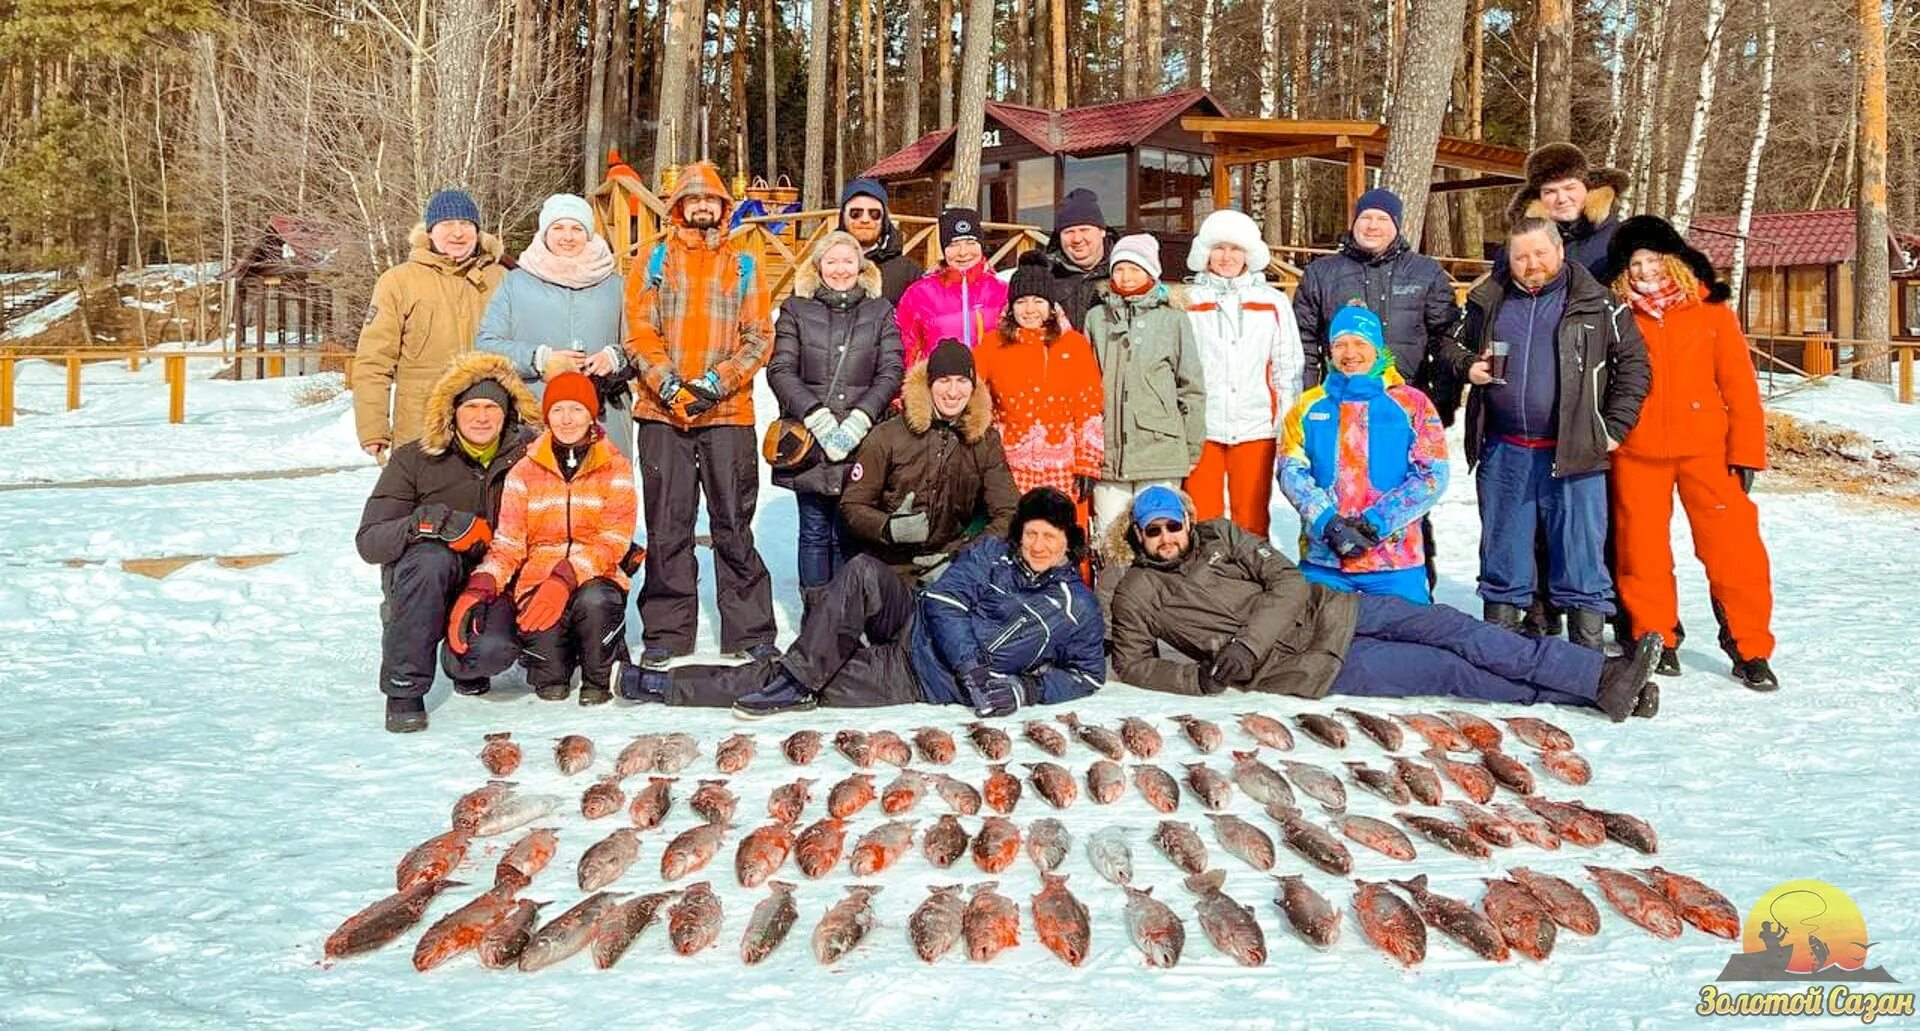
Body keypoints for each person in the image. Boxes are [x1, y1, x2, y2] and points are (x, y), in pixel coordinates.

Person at [1106, 486, 1662, 720]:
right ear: (1137, 537)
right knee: (1447, 671)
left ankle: (1597, 674)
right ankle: (1589, 694)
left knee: (1451, 627)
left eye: (1171, 525)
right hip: (1306, 665)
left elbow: (1290, 582)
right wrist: (1196, 678)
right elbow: (1132, 663)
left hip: (1332, 610)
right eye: (1151, 531)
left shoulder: (1220, 537)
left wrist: (1248, 644)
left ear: (1186, 520)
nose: (1164, 538)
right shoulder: (1137, 591)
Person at [616, 488, 1105, 719]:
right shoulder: (992, 552)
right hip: (918, 622)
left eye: (1050, 537)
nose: (1038, 545)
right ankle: (800, 680)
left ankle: (661, 686)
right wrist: (973, 665)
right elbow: (945, 598)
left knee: (790, 672)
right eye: (1032, 533)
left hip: (921, 676)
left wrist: (1026, 691)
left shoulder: (1076, 607)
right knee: (864, 571)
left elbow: (1086, 674)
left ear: (1069, 542)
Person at [1454, 216, 1651, 650]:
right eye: (1521, 256)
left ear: (1559, 251)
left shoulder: (1599, 305)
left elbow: (1635, 367)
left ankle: (1586, 656)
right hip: (1505, 450)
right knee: (1503, 552)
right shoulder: (1490, 300)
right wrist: (1467, 366)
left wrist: (1614, 427)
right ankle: (1500, 652)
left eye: (1540, 253)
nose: (1531, 264)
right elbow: (1451, 344)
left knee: (1581, 554)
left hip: (1576, 450)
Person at [1600, 215, 1778, 689]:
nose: (1643, 272)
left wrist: (1746, 450)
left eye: (1652, 259)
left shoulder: (1710, 307)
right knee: (1641, 551)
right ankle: (1656, 636)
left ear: (1673, 259)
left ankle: (1750, 647)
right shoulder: (1614, 313)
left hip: (1708, 448)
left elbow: (1738, 382)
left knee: (1735, 552)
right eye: (1634, 263)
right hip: (1636, 449)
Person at [623, 161, 778, 668]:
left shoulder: (743, 263)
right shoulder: (654, 258)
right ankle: (667, 631)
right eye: (694, 201)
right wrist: (669, 383)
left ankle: (749, 630)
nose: (703, 208)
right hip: (661, 410)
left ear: (723, 208)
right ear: (679, 207)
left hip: (728, 412)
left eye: (711, 200)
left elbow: (760, 337)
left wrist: (716, 383)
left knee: (733, 522)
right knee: (668, 522)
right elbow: (639, 332)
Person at [355, 353, 541, 733]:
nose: (482, 416)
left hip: (494, 582)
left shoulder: (530, 455)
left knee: (493, 651)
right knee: (429, 560)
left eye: (492, 406)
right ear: (452, 411)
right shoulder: (416, 459)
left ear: (508, 413)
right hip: (426, 580)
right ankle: (405, 687)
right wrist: (436, 522)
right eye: (471, 406)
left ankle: (463, 663)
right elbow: (370, 541)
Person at [453, 371, 638, 705]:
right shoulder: (524, 471)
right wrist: (482, 584)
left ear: (592, 413)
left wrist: (565, 577)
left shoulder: (616, 466)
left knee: (595, 609)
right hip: (538, 585)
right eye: (558, 410)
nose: (567, 420)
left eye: (577, 410)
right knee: (550, 683)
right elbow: (508, 544)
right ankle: (558, 656)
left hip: (595, 577)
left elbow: (613, 540)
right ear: (547, 415)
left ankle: (600, 663)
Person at [766, 231, 905, 608]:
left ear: (861, 266)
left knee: (850, 530)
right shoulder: (796, 310)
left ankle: (846, 618)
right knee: (813, 531)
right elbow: (780, 369)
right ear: (818, 267)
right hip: (812, 440)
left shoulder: (879, 312)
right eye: (832, 261)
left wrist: (861, 417)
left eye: (848, 261)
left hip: (864, 441)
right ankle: (815, 619)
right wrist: (817, 417)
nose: (840, 269)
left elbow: (892, 368)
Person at [1278, 306, 1448, 604]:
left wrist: (1374, 524)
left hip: (1394, 562)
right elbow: (1290, 470)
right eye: (1340, 344)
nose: (1350, 353)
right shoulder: (1307, 405)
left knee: (1410, 644)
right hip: (1325, 561)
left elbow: (1433, 474)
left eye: (1360, 343)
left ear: (1377, 348)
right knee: (1315, 643)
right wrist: (1328, 522)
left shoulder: (1412, 404)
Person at [837, 338, 1019, 585]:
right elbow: (852, 505)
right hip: (891, 565)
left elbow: (1008, 512)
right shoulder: (888, 435)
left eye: (962, 381)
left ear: (973, 386)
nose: (953, 392)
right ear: (929, 383)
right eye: (944, 381)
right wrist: (887, 527)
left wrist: (961, 558)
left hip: (952, 564)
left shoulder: (985, 440)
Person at [353, 188, 509, 458]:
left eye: (466, 224)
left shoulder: (502, 279)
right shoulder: (398, 282)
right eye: (447, 224)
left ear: (478, 231)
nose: (458, 233)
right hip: (421, 426)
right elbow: (373, 361)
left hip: (490, 424)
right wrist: (372, 427)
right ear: (430, 232)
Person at [475, 193, 633, 458]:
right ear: (545, 233)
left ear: (590, 234)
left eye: (577, 228)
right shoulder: (516, 283)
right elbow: (486, 345)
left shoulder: (615, 285)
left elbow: (640, 345)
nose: (567, 237)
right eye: (558, 228)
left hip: (605, 414)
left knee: (604, 494)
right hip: (535, 413)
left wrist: (615, 357)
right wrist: (539, 358)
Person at [1181, 208, 1302, 536]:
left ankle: (1253, 581)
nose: (1226, 257)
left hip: (1256, 425)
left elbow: (1288, 366)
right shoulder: (1188, 301)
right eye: (1219, 248)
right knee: (1203, 515)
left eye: (1235, 249)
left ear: (1249, 253)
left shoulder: (1273, 302)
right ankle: (1207, 581)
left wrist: (1286, 425)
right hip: (1202, 427)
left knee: (1251, 516)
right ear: (1205, 253)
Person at [1294, 187, 1462, 422]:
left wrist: (1441, 402)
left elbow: (1445, 339)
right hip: (1340, 404)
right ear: (1354, 222)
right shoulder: (1320, 273)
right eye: (1366, 217)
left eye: (1382, 218)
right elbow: (1304, 341)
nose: (1373, 226)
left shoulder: (1426, 272)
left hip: (1407, 404)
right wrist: (1308, 398)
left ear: (1396, 225)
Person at [1086, 232, 1206, 536]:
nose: (1126, 277)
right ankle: (1113, 585)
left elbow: (1190, 387)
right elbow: (1084, 385)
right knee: (1110, 536)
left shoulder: (1173, 319)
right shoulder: (1097, 318)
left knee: (1159, 534)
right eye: (1120, 268)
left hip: (1161, 451)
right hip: (1108, 453)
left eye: (1135, 268)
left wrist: (1190, 449)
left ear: (1151, 273)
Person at [974, 252, 1104, 518]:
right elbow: (974, 398)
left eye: (1038, 301)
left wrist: (1088, 463)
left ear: (1051, 305)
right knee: (1015, 536)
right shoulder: (993, 344)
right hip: (1010, 465)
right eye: (1021, 301)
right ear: (1010, 306)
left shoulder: (1073, 344)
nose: (1030, 309)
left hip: (1062, 466)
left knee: (1061, 539)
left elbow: (1089, 406)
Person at [894, 207, 1008, 365]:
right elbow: (905, 350)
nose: (963, 252)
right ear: (944, 249)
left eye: (971, 242)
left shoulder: (1002, 291)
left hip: (990, 386)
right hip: (941, 386)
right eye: (954, 244)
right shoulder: (919, 294)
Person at [1500, 142, 1628, 279]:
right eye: (1550, 192)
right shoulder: (1519, 241)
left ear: (1588, 187)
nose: (1561, 199)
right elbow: (1494, 291)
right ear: (1538, 197)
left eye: (1570, 188)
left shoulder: (1623, 239)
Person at [1039, 187, 1117, 329]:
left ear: (1102, 231)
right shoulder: (1045, 274)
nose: (1077, 239)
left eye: (1084, 230)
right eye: (1069, 232)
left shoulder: (1124, 271)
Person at [836, 177, 923, 304]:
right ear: (843, 217)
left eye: (874, 214)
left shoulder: (909, 272)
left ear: (884, 219)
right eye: (855, 213)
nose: (865, 219)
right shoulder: (823, 266)